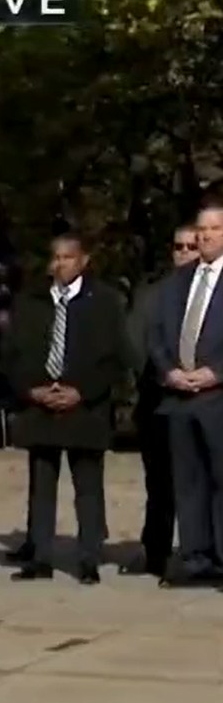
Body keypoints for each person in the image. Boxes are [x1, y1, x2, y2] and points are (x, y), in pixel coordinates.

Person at [2, 232, 126, 584]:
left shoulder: (105, 302)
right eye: (55, 258)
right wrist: (33, 390)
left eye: (68, 257)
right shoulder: (30, 302)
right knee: (41, 484)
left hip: (85, 407)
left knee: (88, 486)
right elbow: (12, 354)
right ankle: (39, 556)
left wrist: (81, 391)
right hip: (40, 405)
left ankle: (88, 557)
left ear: (84, 260)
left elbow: (115, 359)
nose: (60, 264)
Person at [148, 203, 223, 588]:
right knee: (188, 481)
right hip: (180, 396)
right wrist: (170, 371)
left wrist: (216, 372)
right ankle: (196, 557)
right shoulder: (178, 282)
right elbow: (157, 332)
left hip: (218, 396)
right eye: (201, 229)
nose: (205, 236)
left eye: (214, 229)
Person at [122, 225, 198, 577]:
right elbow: (136, 344)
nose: (184, 252)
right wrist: (162, 375)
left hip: (209, 397)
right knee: (160, 482)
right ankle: (156, 552)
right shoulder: (152, 295)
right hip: (159, 397)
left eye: (191, 246)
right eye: (178, 246)